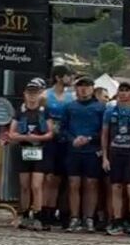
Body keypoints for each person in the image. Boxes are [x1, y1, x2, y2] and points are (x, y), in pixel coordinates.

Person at [101, 82, 130, 237]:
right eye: (121, 90)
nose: (123, 93)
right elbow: (105, 134)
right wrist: (105, 157)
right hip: (115, 152)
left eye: (127, 91)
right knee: (116, 187)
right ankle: (117, 221)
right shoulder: (110, 112)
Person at [8, 79, 54, 230]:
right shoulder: (20, 111)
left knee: (36, 185)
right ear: (25, 95)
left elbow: (50, 133)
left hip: (40, 150)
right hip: (24, 149)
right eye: (29, 93)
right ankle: (25, 214)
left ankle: (38, 215)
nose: (32, 96)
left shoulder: (44, 111)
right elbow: (12, 133)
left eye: (35, 93)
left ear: (39, 95)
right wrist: (25, 137)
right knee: (24, 185)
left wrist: (38, 138)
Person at [62, 76, 106, 233]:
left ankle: (89, 218)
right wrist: (72, 139)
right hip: (73, 150)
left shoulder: (100, 108)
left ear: (92, 88)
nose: (84, 89)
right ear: (76, 89)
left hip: (92, 150)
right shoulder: (69, 107)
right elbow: (63, 129)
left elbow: (104, 131)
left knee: (91, 184)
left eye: (87, 86)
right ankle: (74, 217)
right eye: (80, 86)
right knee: (73, 184)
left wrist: (90, 138)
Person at [40, 65, 74, 229]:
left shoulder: (71, 97)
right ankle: (46, 211)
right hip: (49, 140)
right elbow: (39, 115)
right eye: (68, 75)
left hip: (65, 140)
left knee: (62, 178)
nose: (70, 79)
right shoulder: (45, 95)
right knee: (49, 178)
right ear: (58, 77)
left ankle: (60, 211)